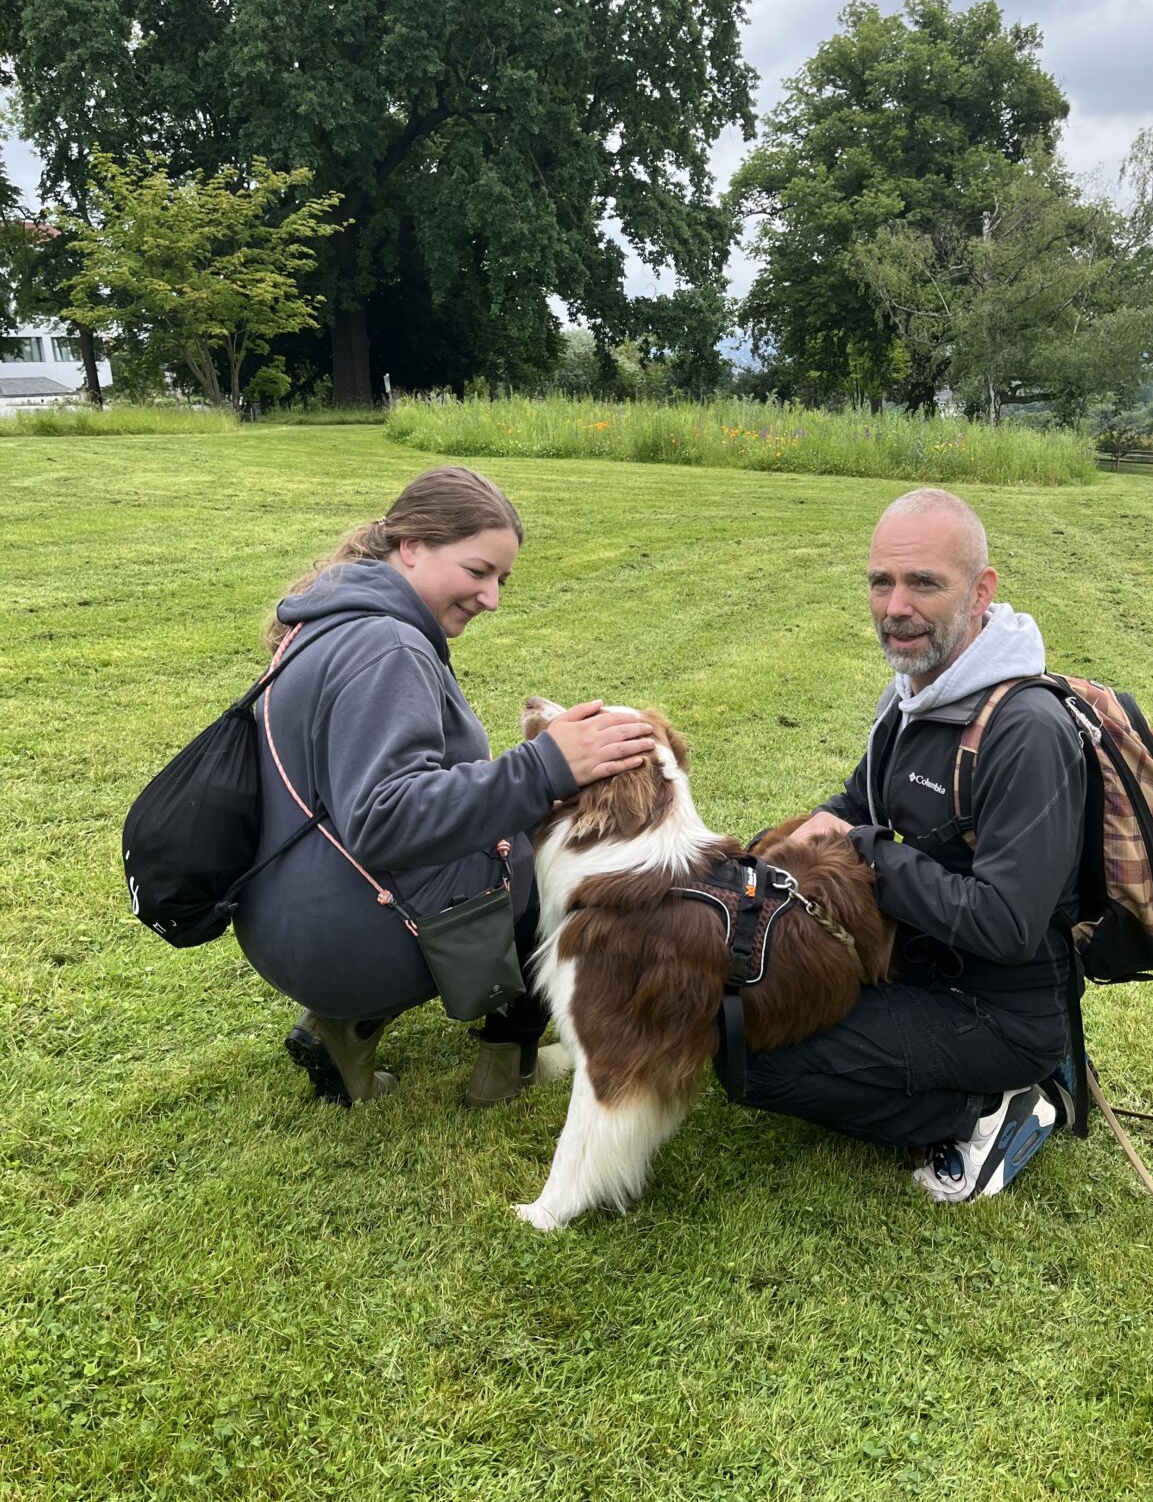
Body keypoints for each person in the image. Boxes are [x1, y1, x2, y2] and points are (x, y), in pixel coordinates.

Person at [233, 466, 654, 1108]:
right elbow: (385, 818)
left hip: (282, 922)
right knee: (558, 850)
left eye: (501, 580)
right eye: (477, 571)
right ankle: (505, 1062)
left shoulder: (328, 615)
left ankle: (345, 1026)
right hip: (339, 940)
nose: (492, 598)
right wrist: (544, 768)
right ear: (412, 547)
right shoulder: (389, 647)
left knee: (503, 825)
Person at [739, 487, 1086, 1202]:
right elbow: (855, 804)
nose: (896, 606)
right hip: (917, 966)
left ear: (981, 590)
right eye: (881, 581)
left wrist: (870, 853)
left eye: (924, 582)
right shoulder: (913, 694)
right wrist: (760, 858)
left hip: (1002, 1011)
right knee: (739, 1011)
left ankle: (992, 1105)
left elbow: (1009, 924)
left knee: (756, 1062)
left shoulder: (1028, 731)